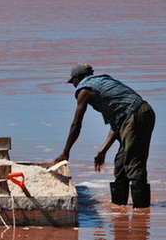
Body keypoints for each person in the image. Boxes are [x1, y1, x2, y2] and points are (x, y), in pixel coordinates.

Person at [55, 62, 155, 208]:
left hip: (137, 115)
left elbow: (76, 124)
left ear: (78, 78)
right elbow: (117, 125)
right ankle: (120, 210)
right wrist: (103, 151)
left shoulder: (85, 89)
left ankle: (142, 214)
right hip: (135, 116)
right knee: (121, 164)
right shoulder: (102, 84)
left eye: (73, 82)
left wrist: (66, 152)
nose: (74, 85)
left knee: (134, 163)